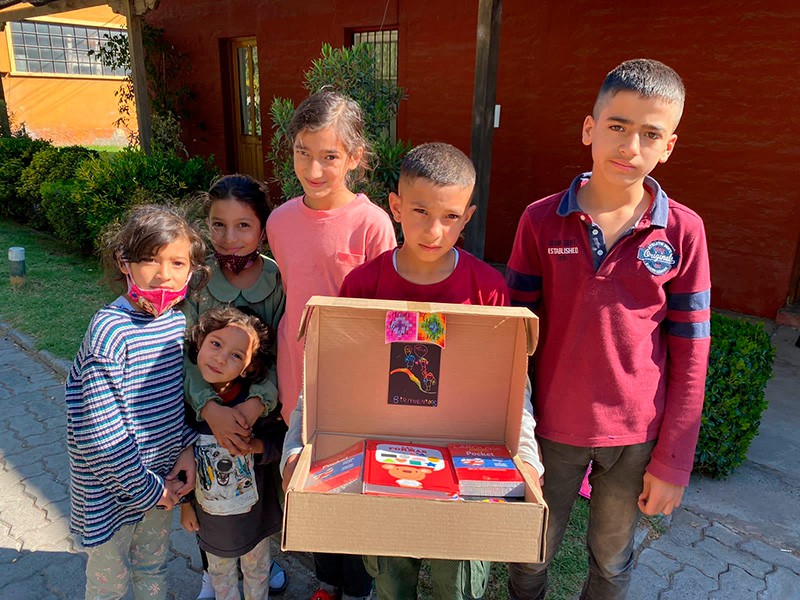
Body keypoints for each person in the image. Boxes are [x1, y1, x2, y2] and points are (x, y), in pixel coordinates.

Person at [281, 142, 544, 600]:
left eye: (451, 216)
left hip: (467, 469)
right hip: (384, 464)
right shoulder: (364, 285)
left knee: (454, 584)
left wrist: (529, 460)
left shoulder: (488, 289)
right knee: (390, 582)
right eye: (420, 211)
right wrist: (294, 448)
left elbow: (511, 389)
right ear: (396, 207)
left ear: (468, 216)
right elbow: (326, 376)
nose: (434, 230)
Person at [505, 59, 711, 600]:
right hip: (550, 428)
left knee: (613, 564)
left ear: (668, 146)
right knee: (529, 554)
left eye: (650, 133)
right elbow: (514, 334)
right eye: (618, 126)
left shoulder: (684, 231)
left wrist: (674, 459)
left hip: (636, 438)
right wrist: (509, 425)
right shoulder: (540, 220)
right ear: (589, 129)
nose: (630, 146)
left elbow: (692, 352)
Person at [266, 89, 397, 600]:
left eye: (330, 156)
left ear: (355, 158)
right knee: (309, 484)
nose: (314, 168)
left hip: (353, 383)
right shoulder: (278, 221)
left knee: (352, 488)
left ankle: (358, 586)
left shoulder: (373, 224)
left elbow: (387, 313)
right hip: (297, 374)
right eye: (303, 151)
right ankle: (325, 581)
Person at [66, 204, 210, 600]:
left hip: (161, 483)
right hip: (111, 494)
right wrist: (149, 490)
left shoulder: (175, 322)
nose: (164, 274)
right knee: (108, 584)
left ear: (192, 268)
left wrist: (186, 452)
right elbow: (100, 434)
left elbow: (175, 401)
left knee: (152, 568)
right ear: (124, 262)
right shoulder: (109, 333)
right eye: (149, 259)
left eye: (178, 262)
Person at [181, 174, 288, 598]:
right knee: (209, 489)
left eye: (243, 225)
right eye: (218, 224)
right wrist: (209, 407)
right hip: (206, 416)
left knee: (254, 494)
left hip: (257, 417)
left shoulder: (277, 280)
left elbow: (284, 351)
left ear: (263, 228)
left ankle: (262, 557)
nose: (230, 237)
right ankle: (212, 567)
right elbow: (186, 354)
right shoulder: (199, 281)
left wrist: (257, 405)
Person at [180, 307, 286, 600]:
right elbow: (179, 458)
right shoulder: (186, 404)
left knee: (258, 573)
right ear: (199, 341)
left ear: (249, 367)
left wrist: (256, 446)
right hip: (210, 520)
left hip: (256, 518)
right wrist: (186, 505)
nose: (221, 358)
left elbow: (280, 442)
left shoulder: (254, 406)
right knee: (221, 578)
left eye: (237, 355)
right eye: (216, 344)